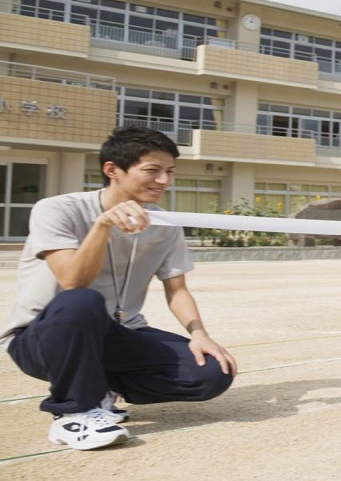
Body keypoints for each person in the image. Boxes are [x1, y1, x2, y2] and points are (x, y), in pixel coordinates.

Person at [3, 126, 237, 450]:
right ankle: (73, 414)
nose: (164, 181)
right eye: (152, 171)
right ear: (112, 169)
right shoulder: (57, 209)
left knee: (212, 372)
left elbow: (177, 289)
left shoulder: (164, 223)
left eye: (169, 171)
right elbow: (72, 281)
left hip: (119, 333)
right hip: (43, 337)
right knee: (82, 301)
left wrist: (200, 333)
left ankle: (97, 387)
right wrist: (103, 225)